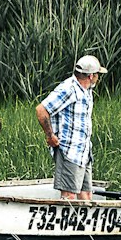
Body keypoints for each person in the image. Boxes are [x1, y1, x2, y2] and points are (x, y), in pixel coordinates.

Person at [35, 55, 107, 201]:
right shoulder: (68, 88)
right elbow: (41, 110)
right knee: (69, 196)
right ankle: (67, 223)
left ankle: (86, 224)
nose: (98, 78)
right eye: (97, 74)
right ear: (91, 75)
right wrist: (50, 136)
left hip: (84, 151)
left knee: (86, 195)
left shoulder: (87, 90)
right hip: (69, 150)